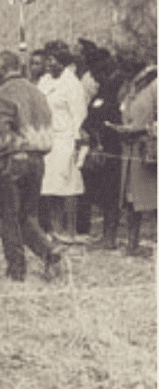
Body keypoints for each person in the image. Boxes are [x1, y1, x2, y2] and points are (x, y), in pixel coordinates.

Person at [0, 50, 62, 282]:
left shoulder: (2, 94)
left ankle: (16, 269)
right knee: (27, 216)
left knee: (9, 217)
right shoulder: (37, 92)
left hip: (12, 163)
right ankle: (49, 251)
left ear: (3, 68)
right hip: (38, 161)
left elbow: (2, 137)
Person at [38, 41, 88, 244]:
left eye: (52, 60)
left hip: (67, 138)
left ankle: (71, 230)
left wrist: (77, 142)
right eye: (47, 60)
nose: (48, 64)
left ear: (62, 62)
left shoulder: (72, 84)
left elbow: (80, 115)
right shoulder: (45, 80)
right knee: (50, 186)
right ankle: (55, 228)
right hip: (48, 138)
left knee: (68, 185)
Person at [110, 58, 157, 257]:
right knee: (131, 197)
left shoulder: (155, 85)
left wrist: (146, 129)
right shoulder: (131, 87)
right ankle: (133, 243)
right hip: (130, 149)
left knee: (151, 197)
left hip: (148, 148)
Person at [78, 48, 124, 248]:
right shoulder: (102, 89)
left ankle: (110, 236)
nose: (94, 75)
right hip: (97, 146)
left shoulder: (117, 89)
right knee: (100, 191)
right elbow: (91, 117)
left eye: (97, 70)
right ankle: (104, 234)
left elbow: (115, 118)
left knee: (112, 192)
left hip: (112, 147)